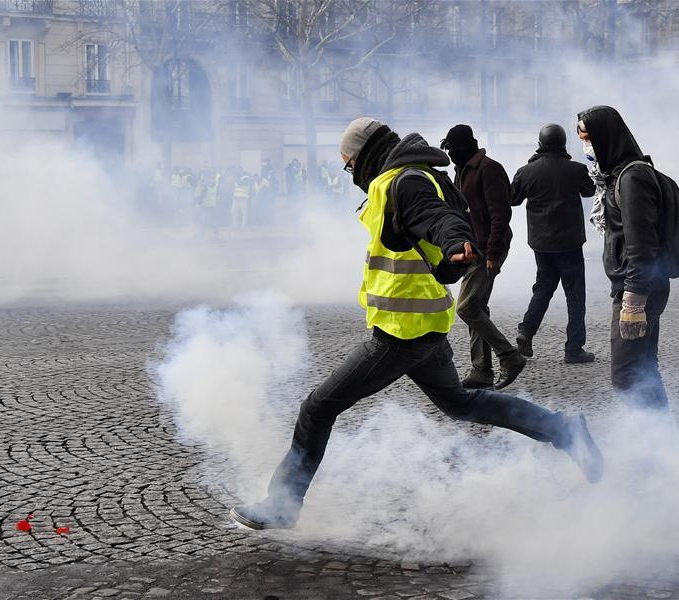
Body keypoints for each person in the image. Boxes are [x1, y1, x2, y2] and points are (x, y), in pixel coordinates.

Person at [229, 117, 604, 531]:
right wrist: (452, 249)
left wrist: (455, 242)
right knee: (462, 404)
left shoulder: (403, 181)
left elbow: (436, 217)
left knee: (317, 408)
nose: (350, 173)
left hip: (400, 332)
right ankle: (566, 431)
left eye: (349, 164)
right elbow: (434, 221)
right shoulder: (419, 175)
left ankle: (282, 505)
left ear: (365, 154)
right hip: (425, 323)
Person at [576, 105, 670, 413]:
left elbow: (642, 244)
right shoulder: (617, 176)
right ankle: (662, 447)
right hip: (638, 285)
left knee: (627, 375)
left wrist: (633, 301)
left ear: (606, 137)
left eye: (588, 137)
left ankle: (653, 445)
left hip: (639, 288)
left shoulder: (632, 178)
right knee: (643, 370)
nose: (585, 146)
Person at [440, 124, 525, 389]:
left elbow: (500, 214)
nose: (451, 153)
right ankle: (481, 370)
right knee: (477, 307)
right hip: (470, 248)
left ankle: (509, 357)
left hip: (486, 249)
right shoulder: (461, 170)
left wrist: (493, 253)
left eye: (454, 149)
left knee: (466, 307)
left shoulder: (489, 169)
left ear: (467, 147)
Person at [510, 124, 596, 363]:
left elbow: (512, 198)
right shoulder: (576, 170)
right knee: (575, 296)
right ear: (563, 143)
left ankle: (526, 331)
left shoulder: (526, 171)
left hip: (541, 243)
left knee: (544, 287)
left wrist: (530, 165)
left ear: (540, 144)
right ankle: (573, 348)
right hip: (570, 242)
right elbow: (590, 191)